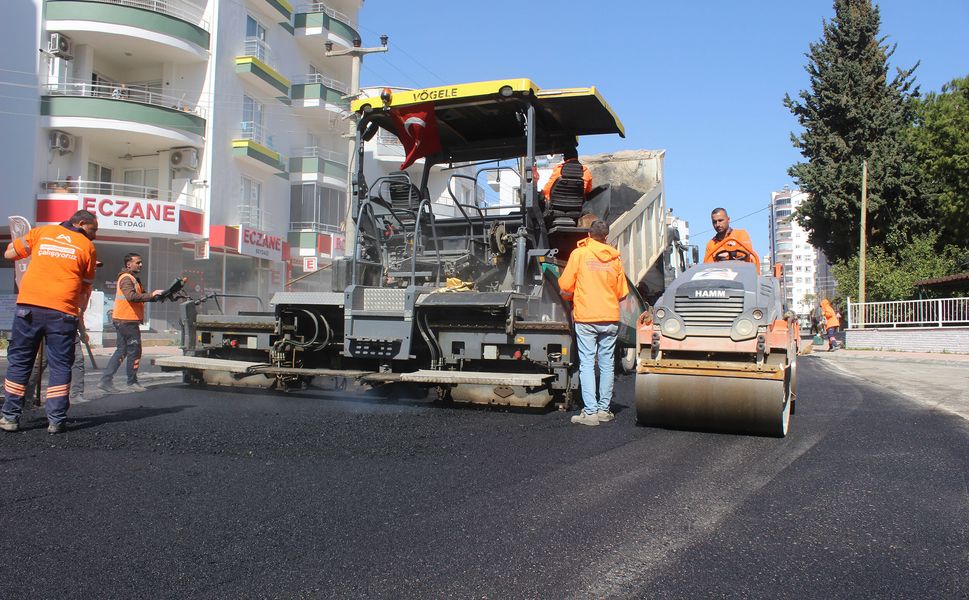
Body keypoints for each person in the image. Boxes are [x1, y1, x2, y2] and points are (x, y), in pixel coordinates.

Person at [1, 210, 98, 434]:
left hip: (29, 308)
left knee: (20, 362)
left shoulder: (42, 233)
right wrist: (80, 315)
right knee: (61, 365)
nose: (94, 235)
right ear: (82, 223)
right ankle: (56, 420)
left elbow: (9, 254)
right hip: (63, 313)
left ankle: (10, 417)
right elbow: (85, 287)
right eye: (93, 230)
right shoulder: (87, 247)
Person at [558, 220, 629, 426]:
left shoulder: (579, 254)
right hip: (609, 317)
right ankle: (603, 411)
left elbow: (564, 284)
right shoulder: (615, 258)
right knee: (607, 365)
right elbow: (622, 293)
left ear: (589, 234)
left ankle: (589, 413)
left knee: (588, 363)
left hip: (586, 318)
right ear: (606, 237)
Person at [98, 253, 164, 393]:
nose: (140, 264)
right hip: (127, 320)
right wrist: (152, 295)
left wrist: (157, 296)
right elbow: (132, 297)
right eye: (138, 262)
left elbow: (142, 296)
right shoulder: (126, 278)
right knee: (134, 351)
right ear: (129, 264)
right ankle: (131, 382)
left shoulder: (132, 278)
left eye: (141, 262)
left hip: (123, 319)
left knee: (122, 350)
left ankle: (105, 381)